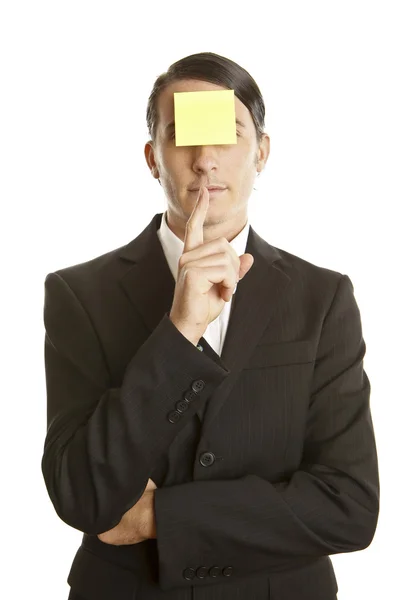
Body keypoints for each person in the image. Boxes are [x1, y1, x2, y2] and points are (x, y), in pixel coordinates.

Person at [41, 52, 380, 600]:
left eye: (227, 133)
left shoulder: (323, 298)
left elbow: (350, 506)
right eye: (183, 136)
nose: (205, 160)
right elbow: (82, 495)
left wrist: (160, 516)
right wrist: (180, 330)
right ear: (153, 158)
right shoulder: (79, 295)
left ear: (261, 152)